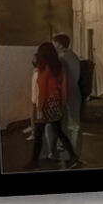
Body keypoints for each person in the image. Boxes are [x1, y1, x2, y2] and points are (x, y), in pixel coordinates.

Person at [26, 42, 80, 170]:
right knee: (58, 131)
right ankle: (73, 156)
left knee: (38, 134)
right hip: (56, 104)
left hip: (45, 105)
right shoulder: (59, 68)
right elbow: (64, 88)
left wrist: (39, 108)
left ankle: (34, 162)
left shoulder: (44, 69)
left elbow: (42, 90)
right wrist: (62, 104)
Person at [51, 34, 82, 161]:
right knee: (73, 123)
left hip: (66, 93)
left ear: (59, 44)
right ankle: (70, 148)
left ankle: (72, 151)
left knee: (70, 124)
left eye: (54, 43)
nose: (53, 46)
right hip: (75, 91)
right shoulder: (73, 55)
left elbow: (60, 79)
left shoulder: (61, 58)